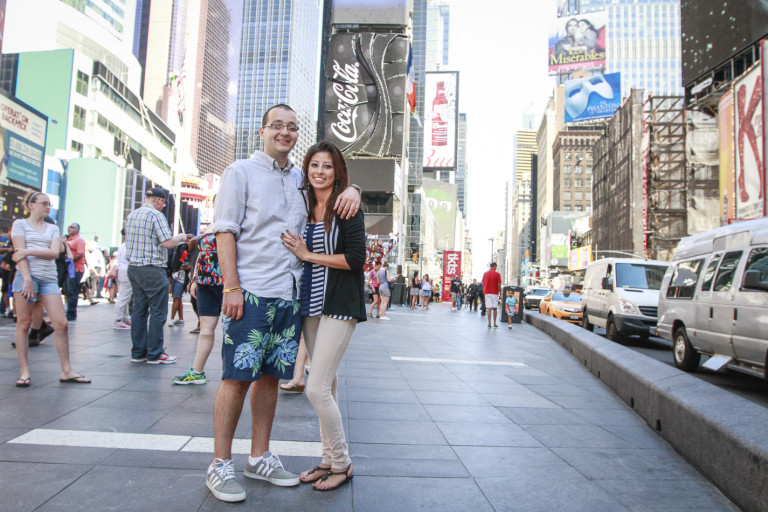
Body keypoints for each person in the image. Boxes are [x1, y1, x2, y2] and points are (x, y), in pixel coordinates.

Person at [206, 104, 361, 503]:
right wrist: (231, 287)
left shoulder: (299, 179)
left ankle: (259, 456)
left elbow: (333, 188)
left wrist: (354, 189)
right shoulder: (239, 172)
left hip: (289, 296)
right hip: (251, 291)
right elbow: (224, 231)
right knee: (236, 378)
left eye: (292, 128)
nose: (285, 133)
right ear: (262, 131)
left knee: (272, 379)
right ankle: (220, 463)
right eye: (277, 126)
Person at [282, 140, 365, 491]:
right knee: (326, 384)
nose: (320, 172)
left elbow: (356, 260)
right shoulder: (303, 204)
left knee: (315, 387)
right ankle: (328, 458)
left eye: (327, 166)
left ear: (337, 171)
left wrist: (307, 254)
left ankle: (342, 463)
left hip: (340, 305)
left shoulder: (345, 206)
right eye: (314, 165)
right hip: (311, 306)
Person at [10, 192, 90, 387]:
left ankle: (66, 370)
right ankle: (24, 372)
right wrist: (27, 279)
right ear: (31, 205)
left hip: (48, 279)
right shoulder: (20, 225)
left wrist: (28, 250)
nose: (48, 207)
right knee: (24, 323)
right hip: (26, 277)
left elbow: (54, 253)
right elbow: (18, 256)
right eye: (44, 204)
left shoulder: (53, 228)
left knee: (61, 323)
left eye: (49, 204)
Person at [124, 187, 190, 365]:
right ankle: (155, 353)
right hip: (152, 268)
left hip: (134, 268)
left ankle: (138, 353)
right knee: (158, 312)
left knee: (138, 311)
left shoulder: (132, 215)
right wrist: (182, 237)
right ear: (160, 201)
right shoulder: (156, 216)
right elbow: (168, 243)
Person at [171, 232, 221, 385]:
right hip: (205, 282)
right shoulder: (214, 227)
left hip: (228, 283)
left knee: (232, 331)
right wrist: (194, 279)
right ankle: (197, 371)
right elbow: (200, 255)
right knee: (205, 330)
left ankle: (235, 376)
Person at [65, 222, 86, 321]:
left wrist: (71, 258)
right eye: (68, 227)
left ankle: (71, 313)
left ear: (77, 229)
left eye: (71, 227)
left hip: (76, 269)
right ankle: (69, 311)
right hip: (69, 268)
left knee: (72, 291)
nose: (69, 228)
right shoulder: (69, 239)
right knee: (68, 291)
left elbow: (81, 254)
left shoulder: (79, 240)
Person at [113, 229, 132, 329]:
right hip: (126, 271)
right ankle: (119, 320)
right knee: (124, 297)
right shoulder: (129, 245)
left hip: (121, 270)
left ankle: (125, 318)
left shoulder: (122, 245)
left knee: (125, 296)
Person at [482, 262, 502, 328]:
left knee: (489, 308)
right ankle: (495, 323)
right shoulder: (497, 274)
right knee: (495, 308)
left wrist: (484, 290)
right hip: (495, 293)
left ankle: (489, 323)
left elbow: (483, 283)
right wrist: (500, 293)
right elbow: (499, 284)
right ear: (495, 266)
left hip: (487, 292)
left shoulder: (485, 274)